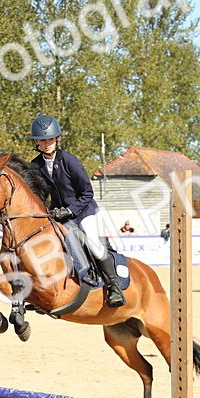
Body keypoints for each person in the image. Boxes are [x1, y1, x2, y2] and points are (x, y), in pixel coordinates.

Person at [28, 114, 125, 307]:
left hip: (84, 211)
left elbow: (87, 193)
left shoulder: (69, 161)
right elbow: (37, 194)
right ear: (36, 143)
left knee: (93, 245)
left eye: (50, 139)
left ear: (57, 139)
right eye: (42, 140)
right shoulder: (35, 165)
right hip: (58, 214)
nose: (46, 144)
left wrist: (70, 211)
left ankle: (115, 286)